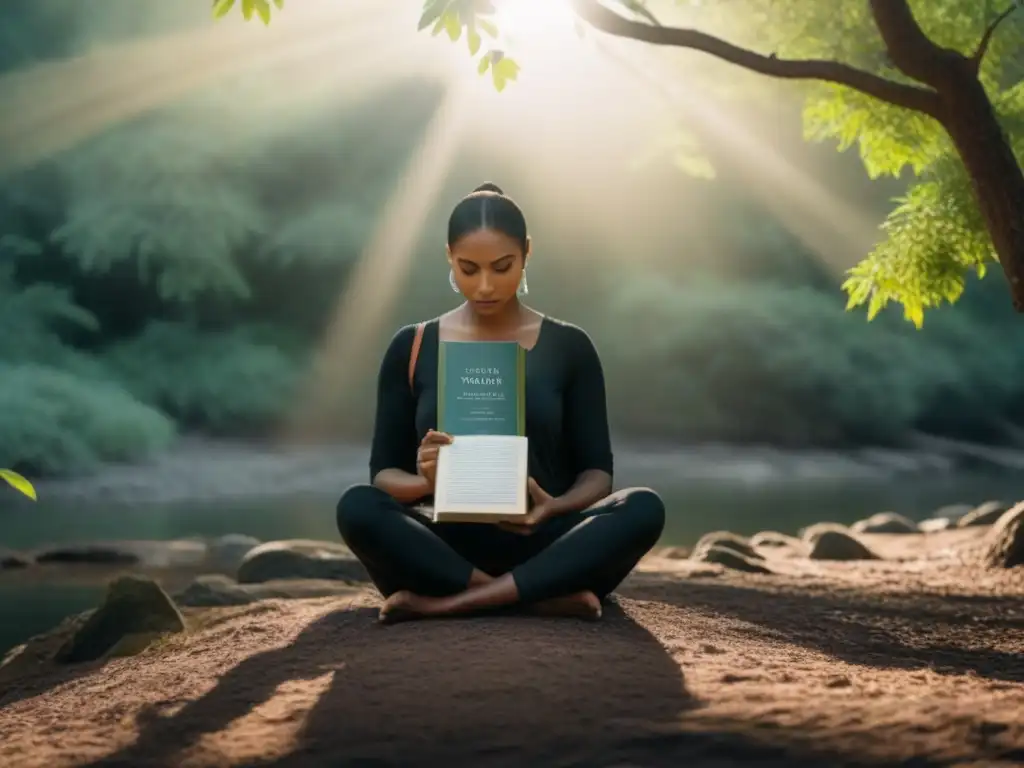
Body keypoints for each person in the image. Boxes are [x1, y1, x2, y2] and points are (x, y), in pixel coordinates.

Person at [335, 182, 665, 624]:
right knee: (356, 506)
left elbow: (597, 474)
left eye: (502, 267)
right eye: (469, 268)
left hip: (543, 537)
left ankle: (452, 603)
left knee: (643, 506)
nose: (485, 286)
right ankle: (533, 597)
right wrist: (425, 481)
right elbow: (382, 475)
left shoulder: (570, 346)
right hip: (443, 541)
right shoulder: (412, 345)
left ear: (527, 252)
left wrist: (553, 506)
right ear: (448, 256)